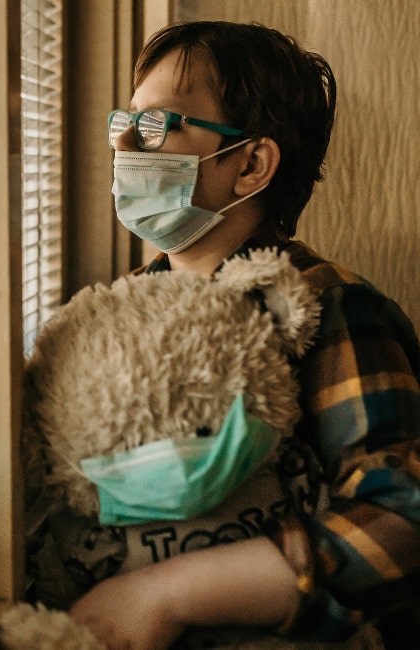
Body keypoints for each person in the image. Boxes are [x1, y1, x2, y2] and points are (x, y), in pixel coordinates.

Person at [68, 21, 420, 649]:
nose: (123, 140)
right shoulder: (119, 313)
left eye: (159, 123)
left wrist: (168, 593)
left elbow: (401, 520)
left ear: (251, 164)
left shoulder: (331, 310)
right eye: (123, 120)